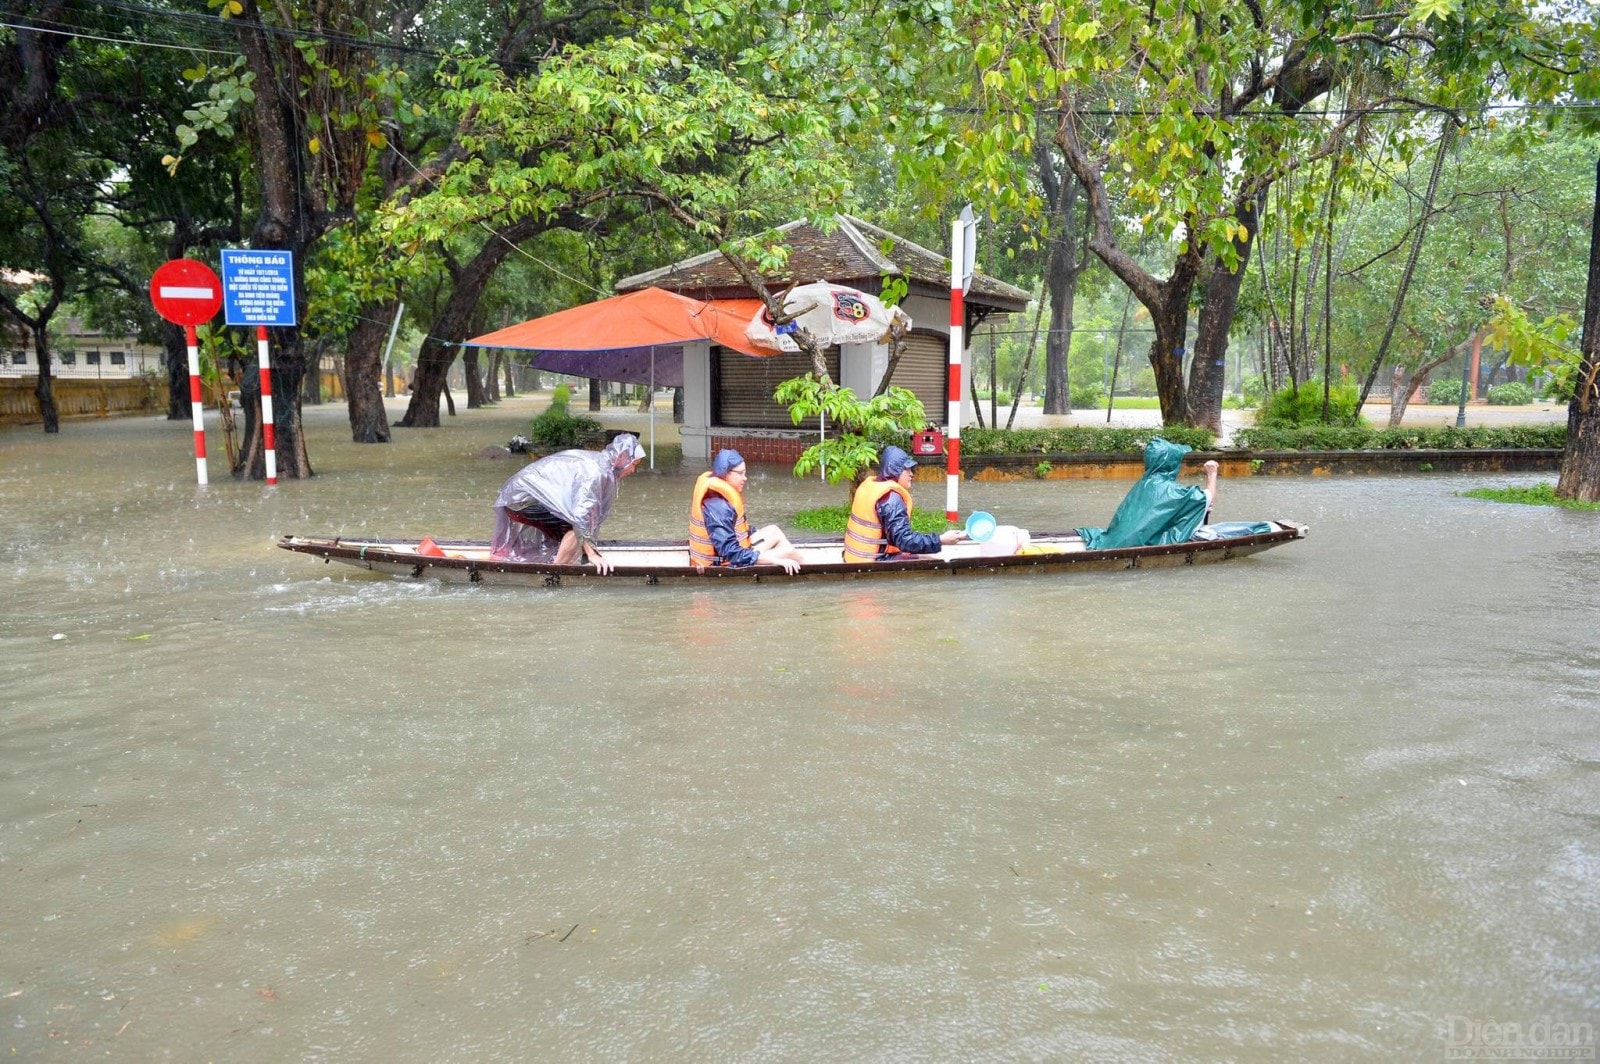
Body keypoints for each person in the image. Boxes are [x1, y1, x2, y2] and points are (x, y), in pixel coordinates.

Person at [490, 433, 646, 572]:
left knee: (580, 527)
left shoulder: (601, 464)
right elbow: (580, 516)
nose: (633, 470)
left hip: (519, 496)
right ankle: (555, 572)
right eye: (634, 464)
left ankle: (556, 564)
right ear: (623, 457)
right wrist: (591, 554)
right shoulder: (597, 472)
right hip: (521, 500)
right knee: (575, 527)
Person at [1075, 438, 1220, 550]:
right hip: (1138, 543)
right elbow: (1208, 498)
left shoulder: (1143, 483)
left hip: (1114, 540)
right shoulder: (1171, 490)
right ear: (1172, 463)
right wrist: (1212, 474)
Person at [842, 445, 967, 562]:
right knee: (932, 560)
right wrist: (940, 540)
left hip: (854, 557)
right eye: (907, 470)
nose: (911, 474)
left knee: (925, 555)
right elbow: (904, 541)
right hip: (874, 561)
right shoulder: (891, 499)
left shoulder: (871, 486)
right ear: (894, 471)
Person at [689, 449, 804, 574]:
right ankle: (808, 575)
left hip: (731, 555)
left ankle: (798, 570)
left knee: (773, 531)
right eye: (740, 473)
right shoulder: (718, 507)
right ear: (725, 474)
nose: (745, 478)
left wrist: (754, 532)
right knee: (790, 553)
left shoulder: (720, 498)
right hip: (720, 564)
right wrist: (775, 560)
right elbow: (732, 554)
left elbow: (736, 530)